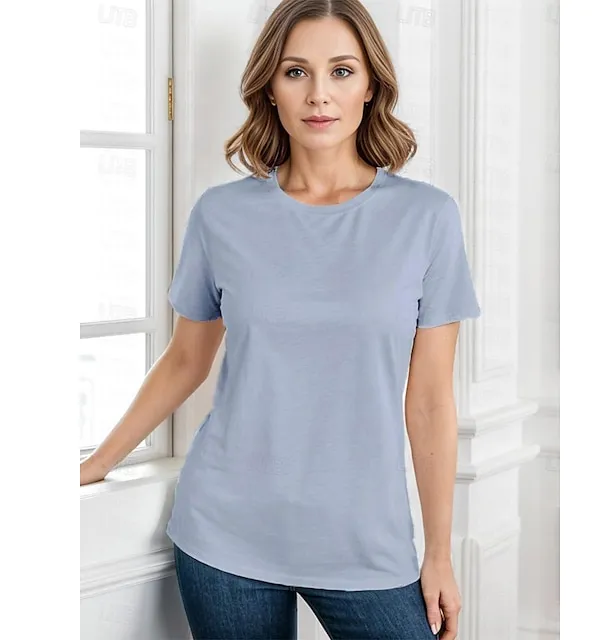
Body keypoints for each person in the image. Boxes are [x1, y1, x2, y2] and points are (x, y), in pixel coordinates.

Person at [80, 0, 481, 638]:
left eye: (341, 71)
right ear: (270, 86)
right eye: (296, 72)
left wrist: (438, 554)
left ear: (371, 85)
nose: (319, 94)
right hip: (225, 536)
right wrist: (95, 463)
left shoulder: (426, 218)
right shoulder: (221, 215)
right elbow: (185, 360)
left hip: (364, 543)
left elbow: (430, 399)